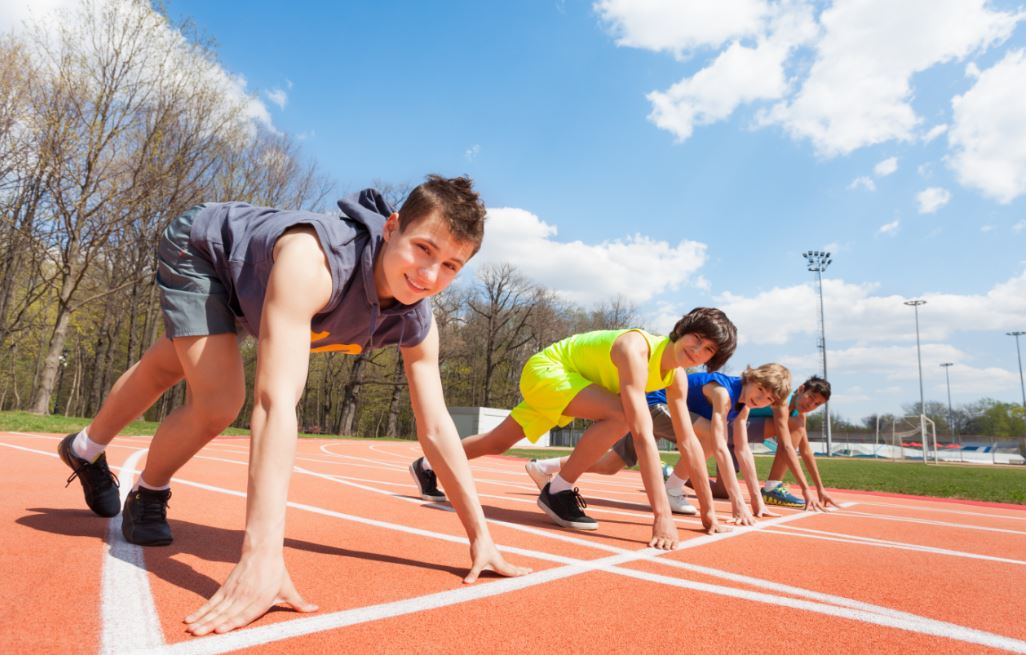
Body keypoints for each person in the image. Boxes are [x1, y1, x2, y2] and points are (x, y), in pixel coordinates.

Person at [56, 175, 530, 636]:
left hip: (255, 287)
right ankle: (149, 494)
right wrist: (262, 555)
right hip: (205, 251)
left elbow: (437, 427)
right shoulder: (314, 262)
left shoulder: (417, 319)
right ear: (391, 227)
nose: (429, 275)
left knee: (169, 366)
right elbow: (275, 402)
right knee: (221, 401)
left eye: (451, 266)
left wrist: (479, 535)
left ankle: (83, 447)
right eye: (423, 248)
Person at [410, 307, 738, 548]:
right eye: (696, 338)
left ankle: (427, 464)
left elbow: (690, 443)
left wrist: (709, 512)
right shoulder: (637, 348)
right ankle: (558, 489)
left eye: (708, 349)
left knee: (497, 442)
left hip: (574, 384)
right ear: (681, 330)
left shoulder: (676, 377)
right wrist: (662, 515)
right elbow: (641, 435)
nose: (697, 350)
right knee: (623, 416)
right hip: (549, 371)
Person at [528, 364, 793, 528]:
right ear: (752, 378)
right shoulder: (724, 393)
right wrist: (737, 503)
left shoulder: (743, 407)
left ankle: (542, 467)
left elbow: (743, 451)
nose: (761, 399)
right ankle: (673, 488)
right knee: (712, 437)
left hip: (664, 412)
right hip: (655, 404)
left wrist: (756, 500)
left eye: (768, 399)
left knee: (609, 465)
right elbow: (721, 447)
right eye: (760, 390)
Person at [709, 376, 838, 509]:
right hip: (728, 428)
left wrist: (820, 489)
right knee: (795, 425)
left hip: (736, 437)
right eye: (810, 397)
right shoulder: (782, 401)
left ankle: (688, 475)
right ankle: (773, 487)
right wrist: (805, 489)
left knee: (722, 491)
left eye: (817, 404)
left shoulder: (799, 415)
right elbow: (786, 446)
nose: (811, 405)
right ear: (800, 389)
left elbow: (806, 452)